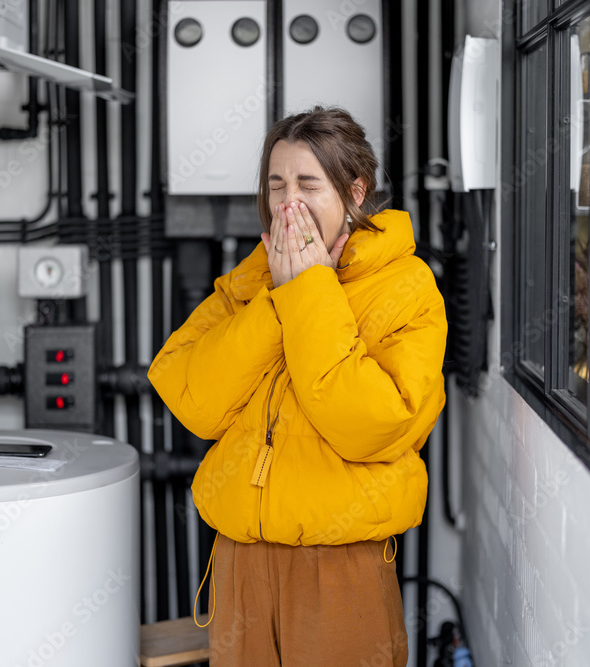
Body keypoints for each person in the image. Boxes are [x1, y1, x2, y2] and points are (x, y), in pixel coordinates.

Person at [148, 106, 447, 666]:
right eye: (276, 184)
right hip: (240, 558)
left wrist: (310, 291)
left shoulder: (407, 287)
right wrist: (276, 301)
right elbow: (192, 400)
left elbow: (373, 426)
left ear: (355, 193)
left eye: (309, 184)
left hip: (340, 563)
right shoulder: (252, 279)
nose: (289, 202)